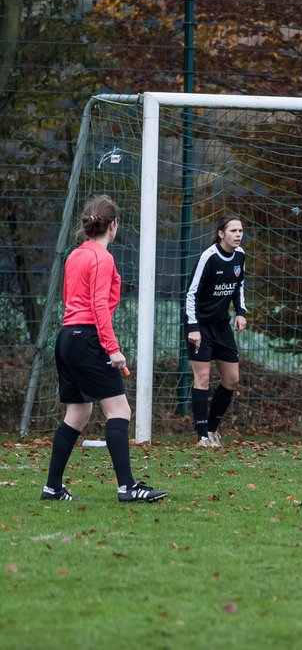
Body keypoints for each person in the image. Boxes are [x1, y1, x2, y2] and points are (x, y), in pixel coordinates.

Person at [41, 195, 167, 503]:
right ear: (113, 226)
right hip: (87, 339)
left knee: (78, 413)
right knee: (119, 410)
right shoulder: (101, 257)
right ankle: (127, 487)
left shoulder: (75, 254)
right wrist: (112, 349)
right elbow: (97, 306)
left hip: (68, 337)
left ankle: (52, 488)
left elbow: (72, 300)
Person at [185, 214, 248, 448]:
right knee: (202, 378)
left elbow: (239, 285)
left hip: (222, 326)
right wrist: (193, 327)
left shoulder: (240, 256)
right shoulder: (209, 257)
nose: (238, 234)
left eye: (240, 230)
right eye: (233, 230)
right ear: (221, 234)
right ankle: (202, 435)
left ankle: (212, 429)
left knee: (232, 380)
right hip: (200, 325)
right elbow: (191, 293)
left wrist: (240, 311)